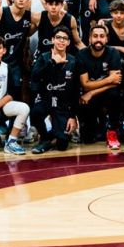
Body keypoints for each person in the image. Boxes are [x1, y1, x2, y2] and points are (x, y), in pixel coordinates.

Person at [30, 27, 79, 155]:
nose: (61, 41)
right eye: (58, 38)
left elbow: (76, 90)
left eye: (65, 38)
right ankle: (44, 138)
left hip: (62, 104)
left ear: (68, 42)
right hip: (45, 99)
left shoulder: (73, 61)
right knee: (35, 112)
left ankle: (53, 137)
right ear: (53, 40)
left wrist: (72, 116)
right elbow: (35, 76)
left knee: (62, 145)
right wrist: (52, 62)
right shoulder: (44, 57)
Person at [77, 25, 123, 148]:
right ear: (89, 39)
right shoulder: (81, 55)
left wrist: (92, 92)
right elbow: (85, 85)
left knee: (115, 94)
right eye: (95, 36)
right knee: (88, 139)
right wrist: (108, 79)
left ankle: (113, 131)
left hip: (104, 93)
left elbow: (116, 82)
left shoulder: (113, 53)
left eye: (102, 36)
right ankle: (93, 127)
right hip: (88, 98)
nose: (98, 39)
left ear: (106, 39)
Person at [102, 0, 124, 64]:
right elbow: (101, 46)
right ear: (111, 13)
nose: (119, 16)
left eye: (122, 13)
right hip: (110, 60)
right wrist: (120, 48)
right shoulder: (106, 27)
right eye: (116, 13)